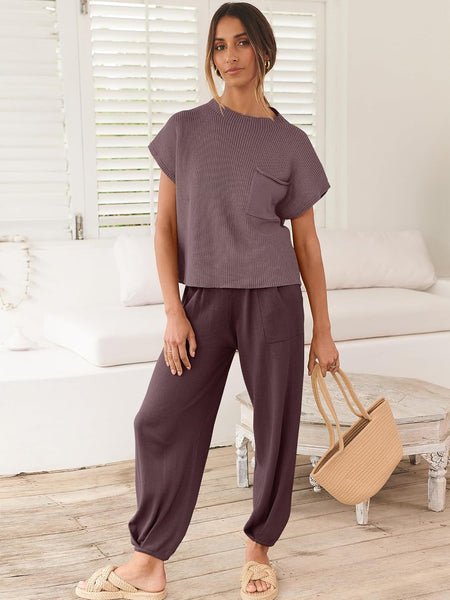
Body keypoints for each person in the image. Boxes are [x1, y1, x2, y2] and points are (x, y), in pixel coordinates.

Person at [75, 3, 339, 599]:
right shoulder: (185, 130)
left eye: (241, 42)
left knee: (275, 426)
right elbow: (164, 228)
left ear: (264, 49)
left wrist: (323, 329)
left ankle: (259, 549)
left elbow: (307, 245)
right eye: (219, 45)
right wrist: (174, 311)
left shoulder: (291, 143)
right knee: (158, 418)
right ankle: (149, 561)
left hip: (273, 300)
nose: (230, 56)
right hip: (202, 302)